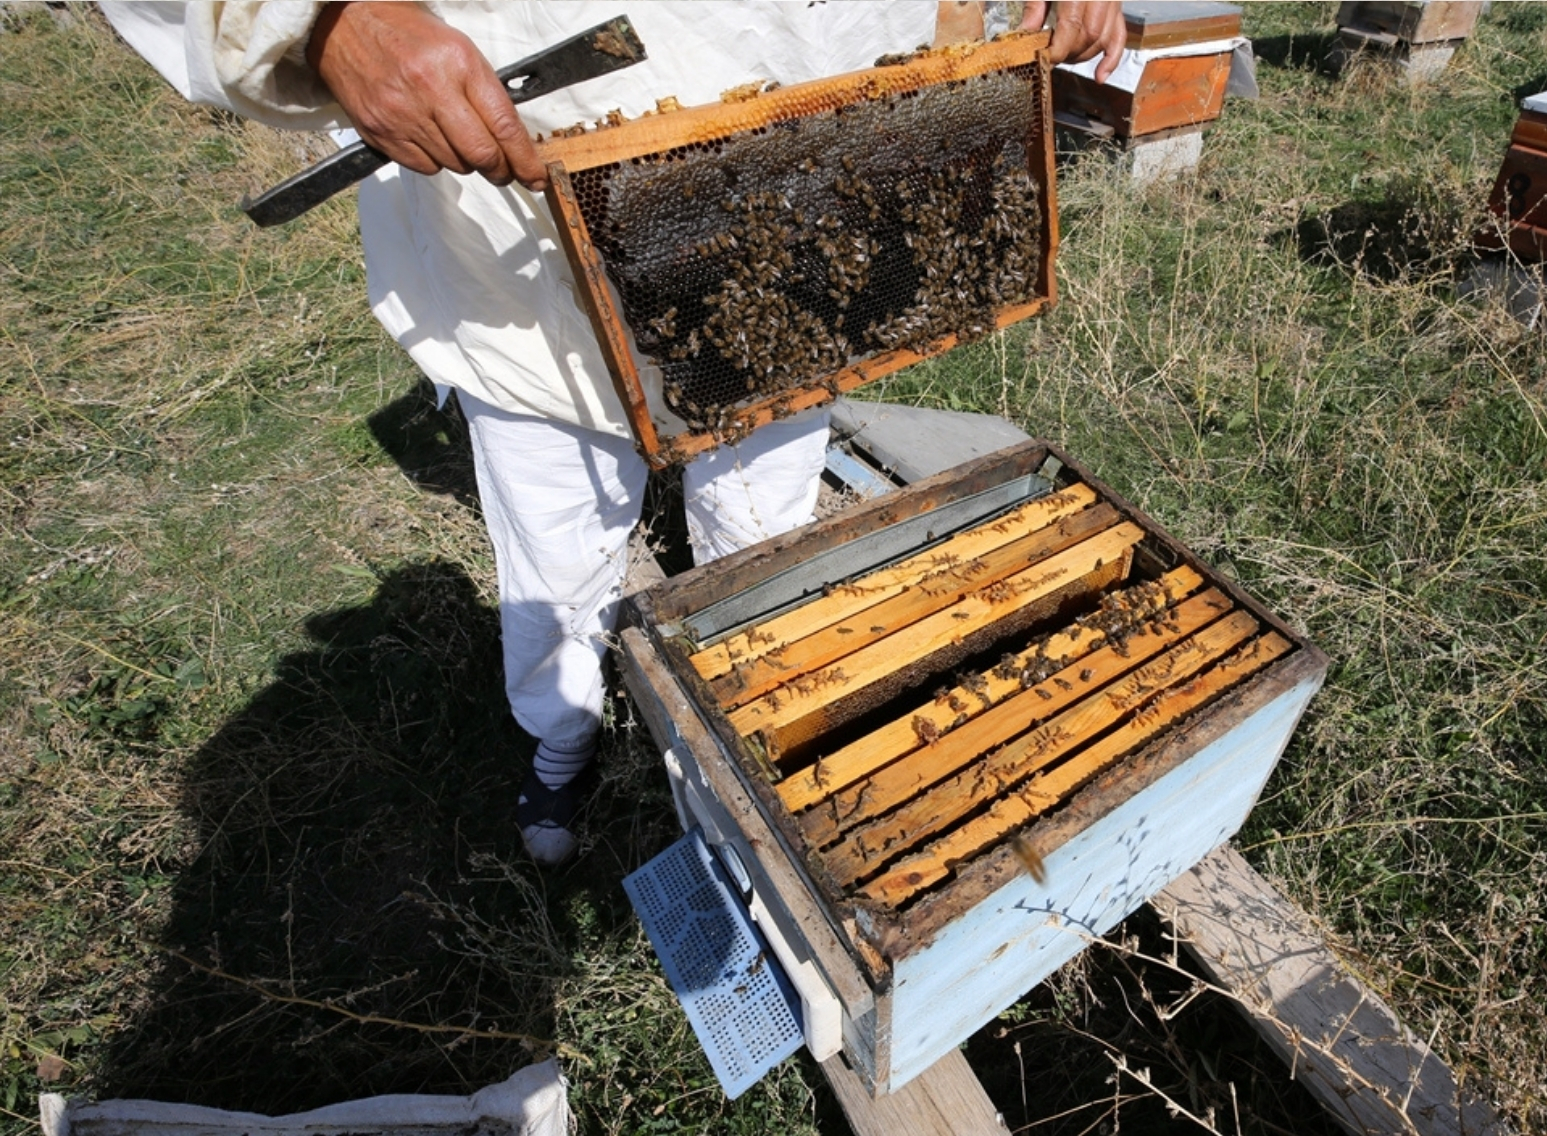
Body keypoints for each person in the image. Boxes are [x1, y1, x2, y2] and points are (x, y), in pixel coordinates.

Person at [102, 1, 1125, 867]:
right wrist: (327, 19)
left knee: (767, 516)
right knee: (557, 545)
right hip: (527, 202)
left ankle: (760, 710)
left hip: (814, 173)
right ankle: (561, 745)